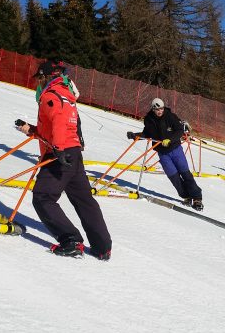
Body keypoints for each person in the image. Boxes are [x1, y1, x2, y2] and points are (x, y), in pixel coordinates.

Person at [16, 61, 112, 260]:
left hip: (60, 153)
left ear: (45, 77)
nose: (38, 83)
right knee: (83, 198)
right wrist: (32, 130)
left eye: (40, 79)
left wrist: (58, 148)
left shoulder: (51, 95)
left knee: (42, 197)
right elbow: (61, 125)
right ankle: (103, 246)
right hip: (73, 152)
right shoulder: (65, 94)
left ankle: (71, 240)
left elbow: (59, 121)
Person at [127, 98, 203, 210]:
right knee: (174, 177)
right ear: (153, 109)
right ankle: (186, 196)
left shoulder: (170, 116)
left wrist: (170, 139)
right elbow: (147, 133)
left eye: (161, 108)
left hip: (175, 150)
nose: (160, 111)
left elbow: (179, 131)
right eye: (157, 109)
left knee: (185, 174)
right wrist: (135, 136)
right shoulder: (149, 120)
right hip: (162, 153)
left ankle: (196, 198)